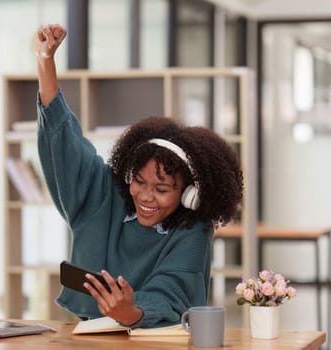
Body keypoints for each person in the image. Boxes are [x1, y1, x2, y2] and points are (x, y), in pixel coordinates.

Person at [34, 24, 243, 328]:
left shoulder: (192, 229)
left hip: (154, 337)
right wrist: (45, 62)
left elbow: (173, 294)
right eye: (140, 182)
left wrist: (130, 313)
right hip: (81, 330)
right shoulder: (104, 194)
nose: (146, 196)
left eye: (162, 188)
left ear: (188, 194)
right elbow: (64, 143)